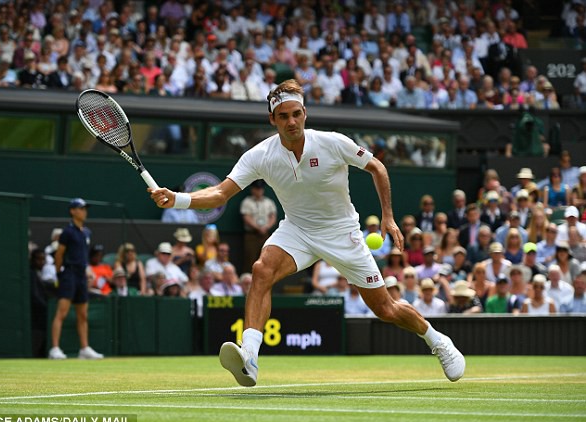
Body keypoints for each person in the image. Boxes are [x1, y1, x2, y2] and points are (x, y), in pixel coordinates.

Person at [150, 79, 465, 387]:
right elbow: (219, 194)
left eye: (296, 114)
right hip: (297, 230)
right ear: (272, 119)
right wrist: (177, 199)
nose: (291, 122)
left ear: (304, 114)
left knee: (385, 309)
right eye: (283, 116)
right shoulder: (260, 155)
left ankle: (438, 341)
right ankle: (250, 358)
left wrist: (389, 217)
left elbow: (377, 168)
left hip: (342, 233)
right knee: (261, 270)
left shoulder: (332, 142)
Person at [49, 198, 103, 360]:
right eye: (81, 208)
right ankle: (55, 348)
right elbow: (59, 254)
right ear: (72, 211)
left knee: (83, 315)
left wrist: (87, 271)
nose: (84, 211)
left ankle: (84, 348)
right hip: (69, 274)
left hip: (81, 276)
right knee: (62, 313)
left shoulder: (87, 232)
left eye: (85, 208)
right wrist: (60, 273)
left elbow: (83, 257)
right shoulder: (67, 232)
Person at [240, 179, 277, 274]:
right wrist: (257, 227)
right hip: (252, 235)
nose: (259, 191)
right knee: (250, 259)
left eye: (261, 189)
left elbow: (273, 216)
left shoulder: (269, 202)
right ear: (252, 189)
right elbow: (246, 217)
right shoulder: (247, 202)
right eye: (257, 189)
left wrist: (266, 227)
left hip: (266, 234)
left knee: (266, 260)